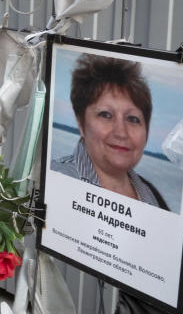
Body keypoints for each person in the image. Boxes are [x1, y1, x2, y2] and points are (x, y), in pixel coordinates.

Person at [51, 55, 168, 210]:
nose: (121, 132)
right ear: (81, 123)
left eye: (133, 119)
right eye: (106, 115)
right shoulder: (53, 179)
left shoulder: (154, 199)